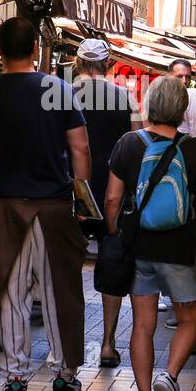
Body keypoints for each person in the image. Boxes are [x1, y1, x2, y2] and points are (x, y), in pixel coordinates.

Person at [0, 17, 90, 391]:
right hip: (55, 205)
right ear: (36, 48)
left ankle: (15, 377)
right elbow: (80, 149)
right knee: (58, 291)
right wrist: (82, 200)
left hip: (9, 205)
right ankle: (64, 376)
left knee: (11, 292)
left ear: (0, 51)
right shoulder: (60, 90)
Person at [105, 76, 196, 391]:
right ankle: (168, 376)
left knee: (143, 324)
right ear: (182, 108)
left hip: (139, 248)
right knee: (189, 319)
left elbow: (112, 198)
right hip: (181, 251)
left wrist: (115, 234)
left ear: (150, 105)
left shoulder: (128, 143)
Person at [71, 38, 141, 367]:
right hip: (114, 192)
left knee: (65, 268)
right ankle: (108, 343)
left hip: (72, 192)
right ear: (108, 63)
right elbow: (138, 146)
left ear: (77, 61)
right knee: (112, 264)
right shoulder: (125, 97)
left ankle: (66, 345)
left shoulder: (61, 95)